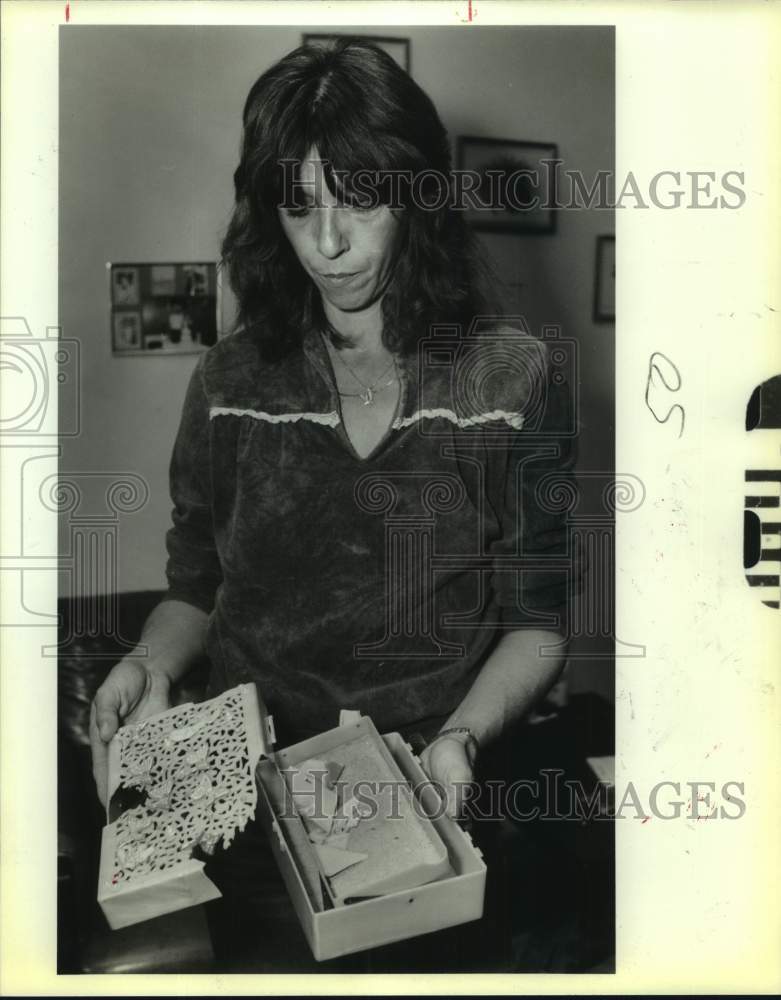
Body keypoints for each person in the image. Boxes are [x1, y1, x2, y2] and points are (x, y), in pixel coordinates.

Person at [90, 38, 580, 971]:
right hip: (249, 827)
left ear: (417, 196)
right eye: (299, 201)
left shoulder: (510, 373)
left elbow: (538, 619)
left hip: (434, 807)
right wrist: (151, 665)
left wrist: (461, 741)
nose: (327, 242)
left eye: (361, 197)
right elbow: (194, 584)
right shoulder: (230, 380)